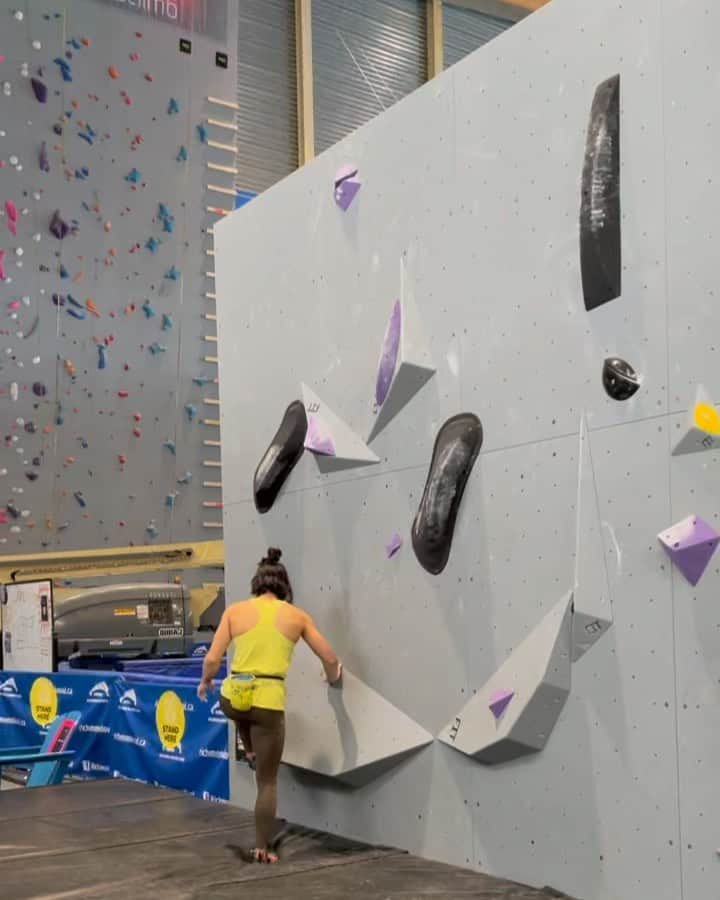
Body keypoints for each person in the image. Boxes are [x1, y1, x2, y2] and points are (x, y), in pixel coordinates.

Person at [197, 547, 342, 864]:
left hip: (232, 697)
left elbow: (211, 659)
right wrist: (334, 678)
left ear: (256, 583)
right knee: (267, 781)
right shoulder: (297, 616)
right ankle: (263, 847)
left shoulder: (234, 611)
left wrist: (206, 682)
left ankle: (248, 747)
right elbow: (329, 658)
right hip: (267, 702)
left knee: (237, 709)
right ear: (284, 586)